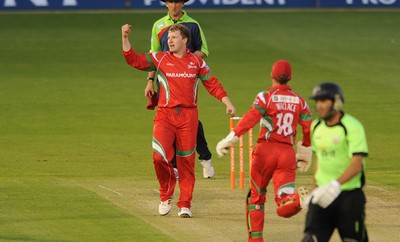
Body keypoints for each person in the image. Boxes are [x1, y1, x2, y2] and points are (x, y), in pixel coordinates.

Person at [121, 23, 236, 218]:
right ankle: (165, 195)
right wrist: (125, 38)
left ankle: (185, 204)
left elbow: (212, 83)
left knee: (186, 162)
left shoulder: (197, 63)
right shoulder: (160, 58)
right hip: (165, 115)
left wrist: (227, 102)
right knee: (159, 157)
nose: (169, 41)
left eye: (174, 37)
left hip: (188, 117)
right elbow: (135, 60)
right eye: (168, 38)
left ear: (185, 40)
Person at [216, 60, 313, 242]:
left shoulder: (265, 97)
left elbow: (250, 119)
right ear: (290, 77)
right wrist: (305, 153)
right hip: (286, 154)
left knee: (256, 197)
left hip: (265, 152)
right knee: (284, 200)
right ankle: (299, 200)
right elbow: (307, 127)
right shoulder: (300, 101)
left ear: (272, 75)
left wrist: (230, 139)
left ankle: (256, 240)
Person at [144, 0, 214, 179]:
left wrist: (184, 62)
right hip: (166, 80)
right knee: (169, 121)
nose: (174, 6)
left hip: (187, 79)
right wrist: (150, 80)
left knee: (191, 122)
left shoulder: (193, 24)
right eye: (170, 2)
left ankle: (205, 157)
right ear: (166, 4)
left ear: (183, 4)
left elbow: (203, 50)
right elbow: (154, 55)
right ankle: (174, 166)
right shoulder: (158, 25)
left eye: (177, 2)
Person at [302, 82, 369, 242]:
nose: (319, 106)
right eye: (317, 101)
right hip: (323, 195)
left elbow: (357, 164)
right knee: (310, 239)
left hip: (349, 197)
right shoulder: (316, 127)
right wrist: (315, 190)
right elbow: (320, 160)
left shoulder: (352, 126)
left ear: (336, 102)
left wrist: (335, 185)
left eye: (323, 101)